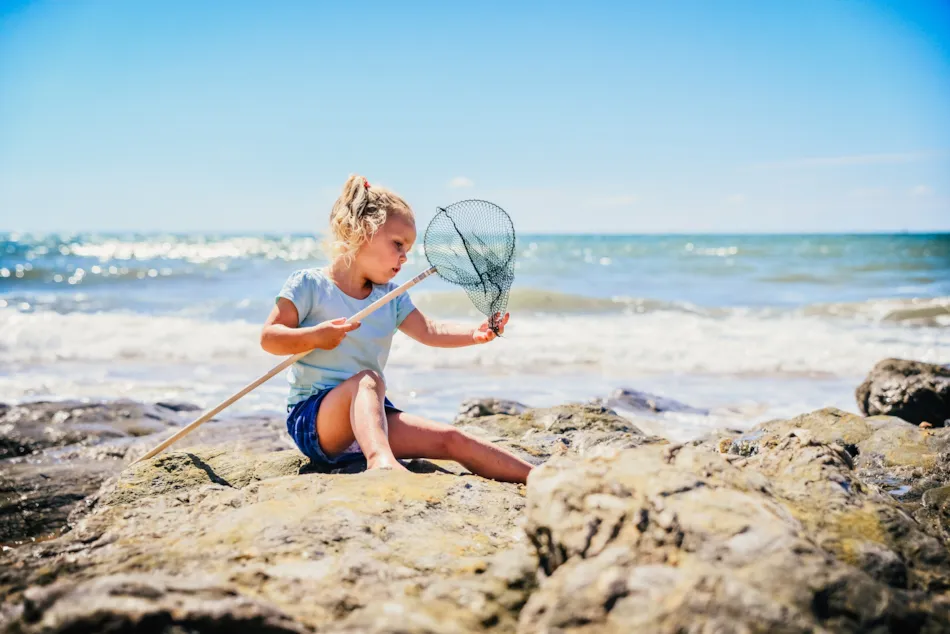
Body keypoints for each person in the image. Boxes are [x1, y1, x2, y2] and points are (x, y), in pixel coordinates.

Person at [260, 174, 533, 484]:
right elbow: (270, 338)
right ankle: (381, 462)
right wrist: (315, 336)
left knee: (451, 439)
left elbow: (429, 330)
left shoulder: (390, 297)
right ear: (360, 230)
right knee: (368, 380)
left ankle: (538, 476)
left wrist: (474, 334)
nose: (404, 257)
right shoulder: (310, 285)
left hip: (370, 415)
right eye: (398, 244)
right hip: (316, 422)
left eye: (408, 249)